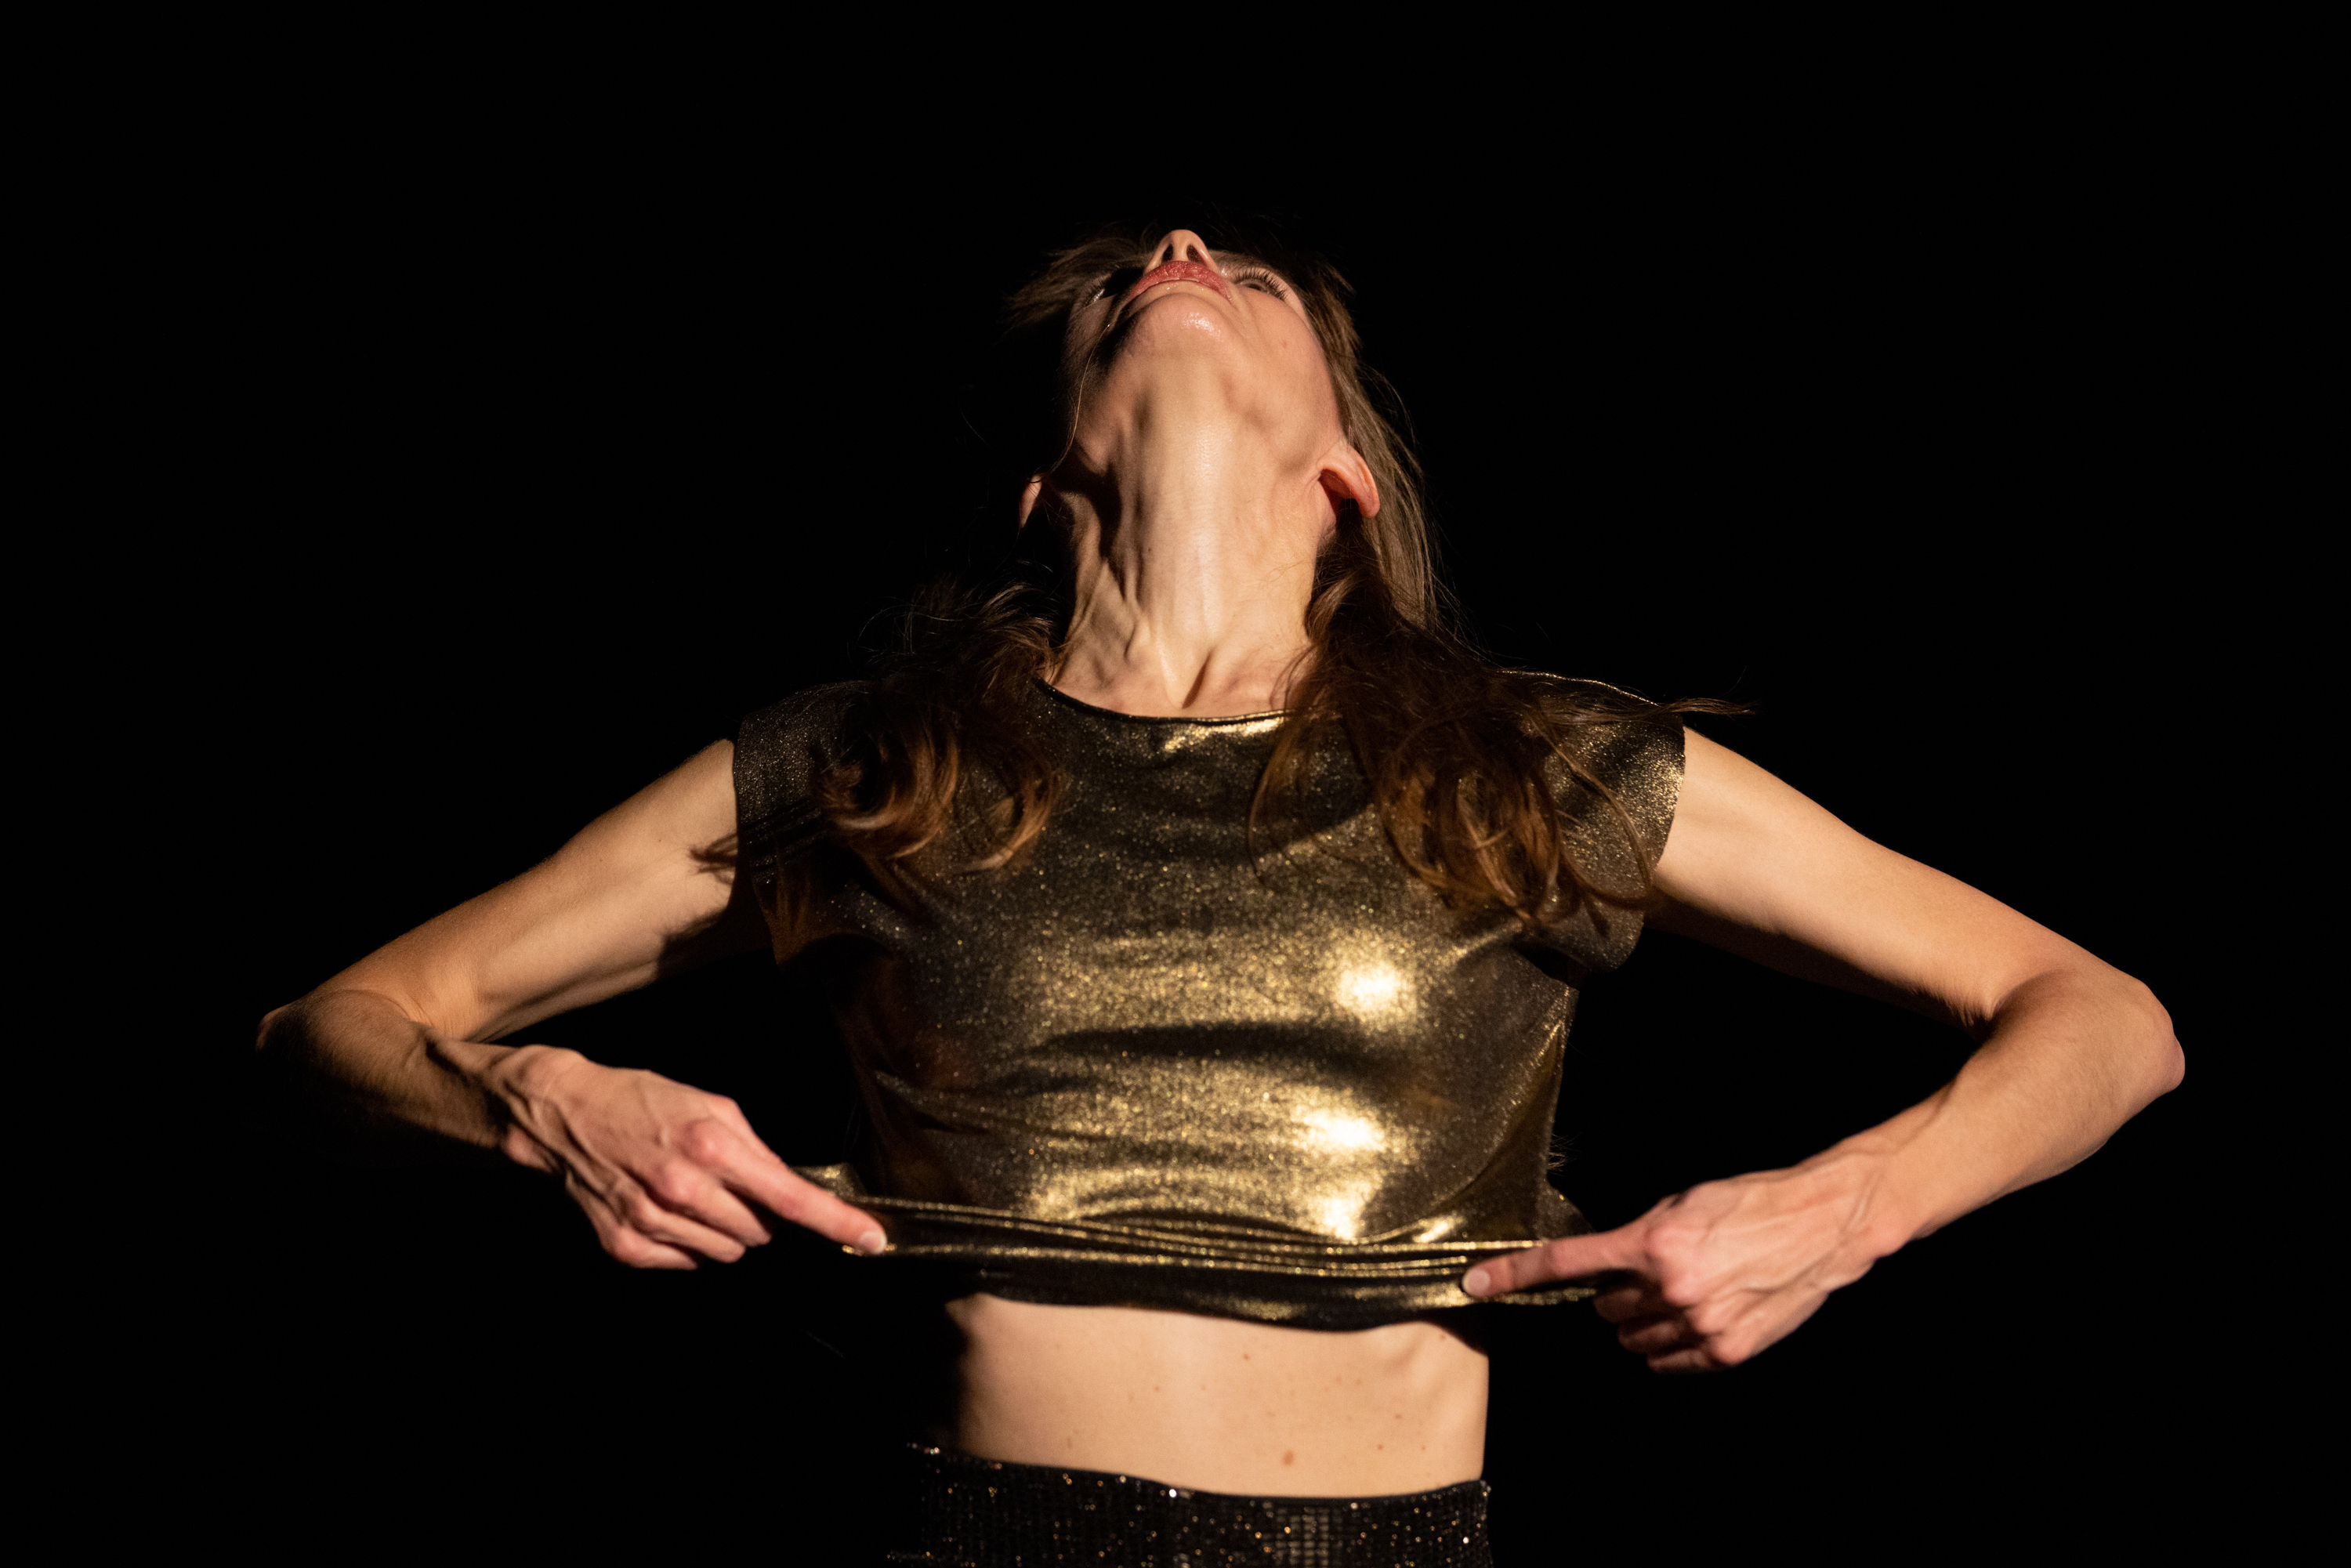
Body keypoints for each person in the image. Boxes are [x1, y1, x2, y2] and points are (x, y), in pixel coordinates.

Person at [256, 224, 2183, 1565]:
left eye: (1247, 272)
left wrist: (1856, 1203)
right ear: (1040, 475)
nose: (1175, 248)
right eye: (1125, 281)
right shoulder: (862, 756)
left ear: (1346, 458)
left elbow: (2109, 1018)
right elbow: (327, 1026)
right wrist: (542, 1097)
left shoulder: (1535, 760)